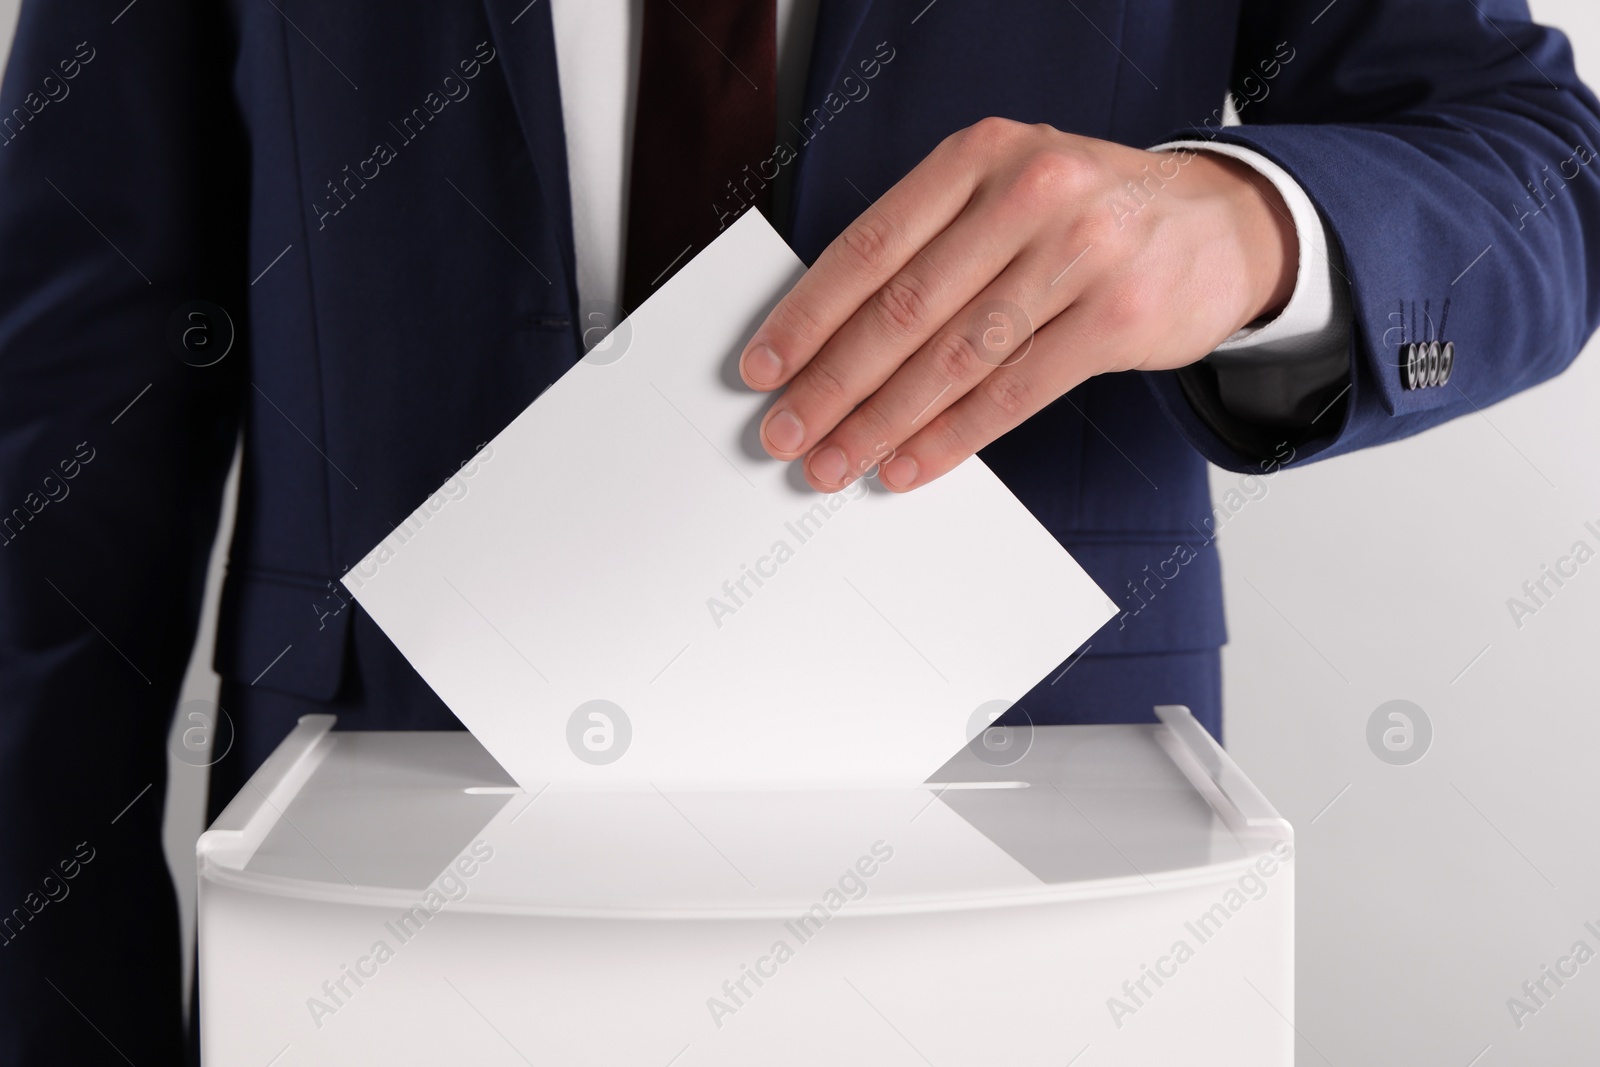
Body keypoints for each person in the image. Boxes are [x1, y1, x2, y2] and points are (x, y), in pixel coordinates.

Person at [0, 0, 1595, 1063]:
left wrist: (1252, 226)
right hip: (368, 901)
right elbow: (69, 406)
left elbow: (1537, 166)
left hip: (1050, 901)